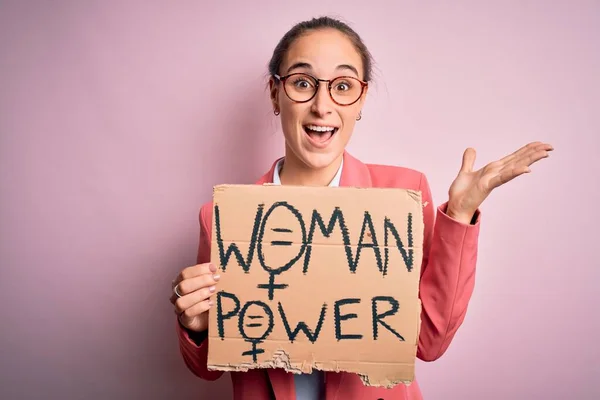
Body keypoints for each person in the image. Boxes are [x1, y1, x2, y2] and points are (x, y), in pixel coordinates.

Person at [169, 16, 553, 400]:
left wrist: (461, 215)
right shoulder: (225, 217)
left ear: (361, 100)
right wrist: (197, 325)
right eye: (302, 83)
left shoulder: (403, 197)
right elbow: (207, 368)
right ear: (275, 94)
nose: (322, 106)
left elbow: (430, 342)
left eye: (343, 87)